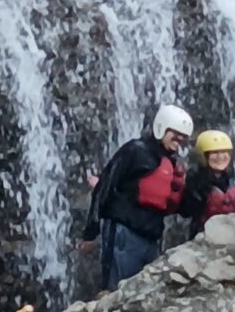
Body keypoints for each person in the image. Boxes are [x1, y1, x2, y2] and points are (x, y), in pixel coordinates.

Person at [82, 104, 195, 291]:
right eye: (174, 134)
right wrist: (90, 232)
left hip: (150, 236)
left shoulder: (171, 163)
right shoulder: (135, 151)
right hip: (124, 233)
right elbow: (105, 187)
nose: (178, 141)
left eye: (182, 138)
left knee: (142, 293)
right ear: (162, 127)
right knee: (118, 290)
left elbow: (179, 207)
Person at [187, 128, 235, 225]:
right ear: (203, 156)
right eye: (214, 152)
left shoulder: (232, 175)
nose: (220, 157)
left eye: (224, 152)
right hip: (205, 231)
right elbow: (189, 210)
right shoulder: (196, 180)